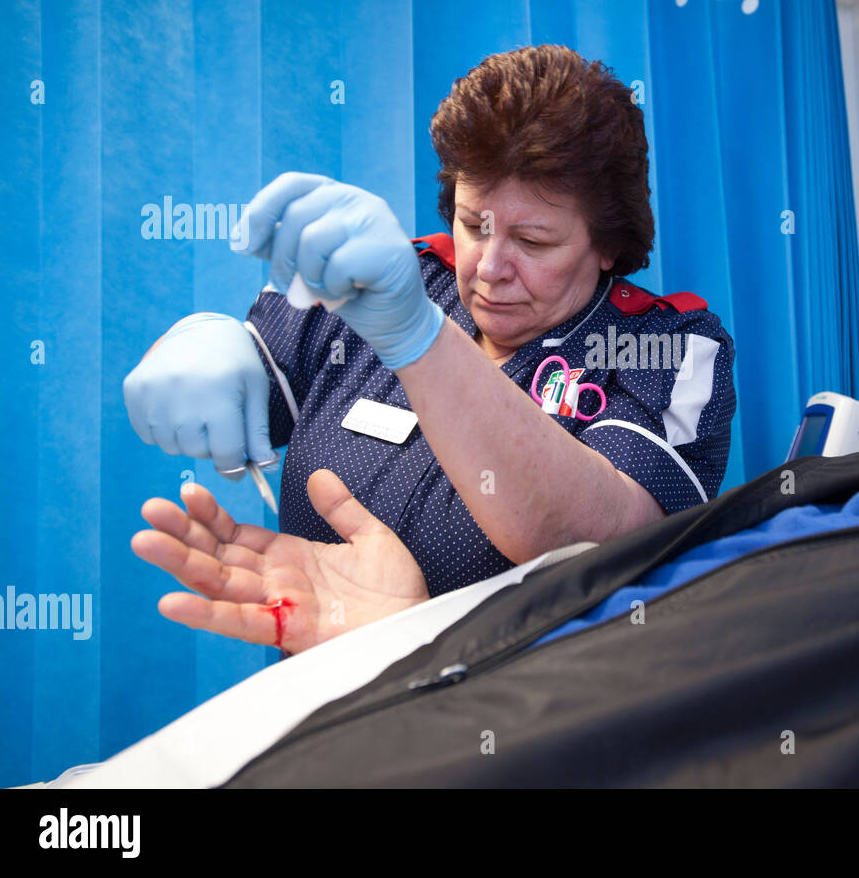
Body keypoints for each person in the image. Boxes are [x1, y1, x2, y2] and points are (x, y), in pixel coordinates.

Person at [131, 128, 859, 786]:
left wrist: (413, 341)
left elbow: (598, 528)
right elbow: (603, 608)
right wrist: (417, 631)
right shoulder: (849, 498)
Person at [122, 45, 737, 635]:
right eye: (474, 226)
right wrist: (201, 341)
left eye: (534, 242)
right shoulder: (399, 278)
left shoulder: (667, 346)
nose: (490, 268)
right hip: (316, 700)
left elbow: (609, 539)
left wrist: (420, 341)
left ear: (608, 245)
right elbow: (256, 365)